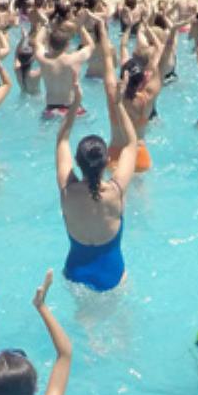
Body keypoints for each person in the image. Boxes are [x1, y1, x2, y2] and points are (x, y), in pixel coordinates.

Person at [56, 77, 136, 292]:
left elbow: (61, 140)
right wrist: (118, 104)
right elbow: (131, 143)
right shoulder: (116, 191)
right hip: (112, 272)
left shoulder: (67, 191)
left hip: (75, 271)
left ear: (77, 161)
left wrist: (75, 104)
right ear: (108, 162)